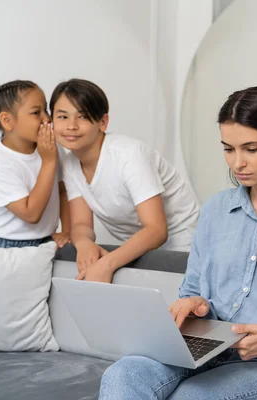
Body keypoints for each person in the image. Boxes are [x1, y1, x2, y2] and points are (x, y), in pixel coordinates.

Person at [98, 86, 257, 400]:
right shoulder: (216, 210)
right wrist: (193, 306)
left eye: (251, 149)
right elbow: (193, 292)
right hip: (206, 343)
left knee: (193, 397)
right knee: (121, 376)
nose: (237, 163)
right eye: (228, 149)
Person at [50, 79, 199, 282]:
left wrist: (107, 263)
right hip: (137, 248)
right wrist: (84, 243)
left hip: (184, 246)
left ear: (103, 122)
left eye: (82, 117)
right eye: (63, 117)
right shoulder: (69, 162)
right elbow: (82, 223)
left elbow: (156, 230)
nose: (71, 126)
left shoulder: (129, 154)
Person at [0, 80, 70, 249]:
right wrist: (48, 162)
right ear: (7, 120)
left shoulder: (50, 147)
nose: (46, 118)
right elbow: (31, 214)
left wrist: (67, 231)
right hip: (6, 247)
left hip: (47, 241)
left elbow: (62, 191)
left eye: (45, 110)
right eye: (36, 113)